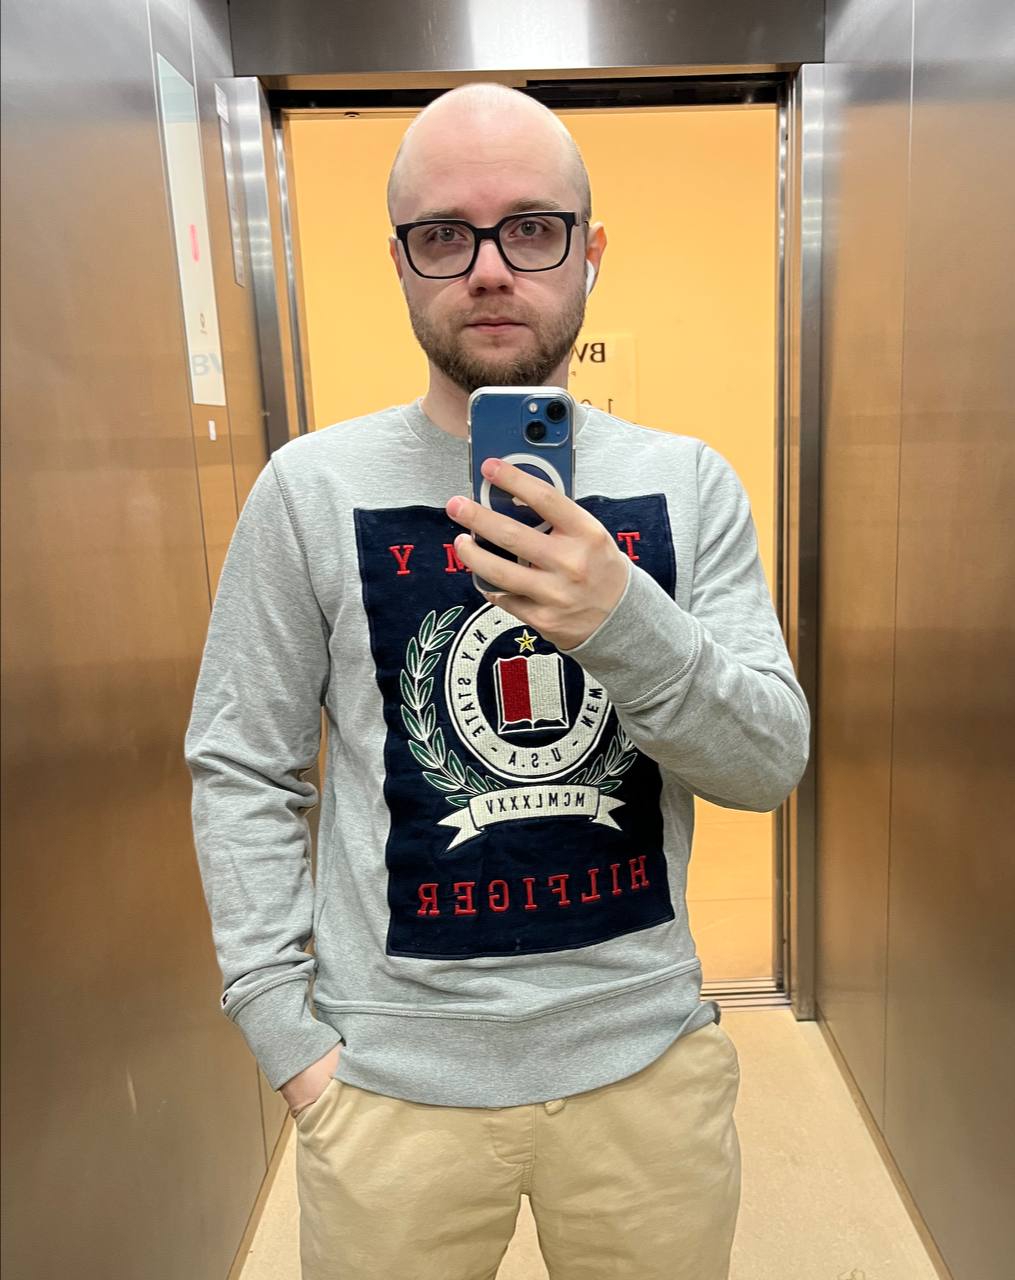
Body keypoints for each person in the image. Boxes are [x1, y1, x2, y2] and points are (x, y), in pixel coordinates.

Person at [184, 82, 810, 1280]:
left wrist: (624, 618)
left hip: (646, 1070)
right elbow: (242, 764)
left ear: (589, 250)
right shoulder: (308, 491)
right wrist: (288, 1040)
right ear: (399, 260)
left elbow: (766, 763)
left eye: (530, 229)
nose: (487, 269)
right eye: (443, 235)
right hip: (385, 1087)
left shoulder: (690, 484)